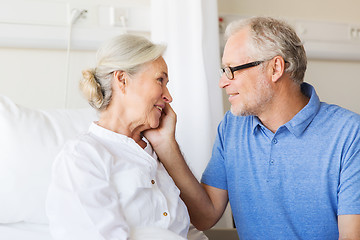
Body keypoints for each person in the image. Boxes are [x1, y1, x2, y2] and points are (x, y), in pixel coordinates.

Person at [143, 17, 360, 239]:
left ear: (275, 68)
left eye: (231, 70)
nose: (223, 82)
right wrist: (166, 144)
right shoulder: (232, 127)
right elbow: (205, 216)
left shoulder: (350, 134)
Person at [46, 34, 192, 240]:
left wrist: (167, 144)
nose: (169, 96)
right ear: (122, 80)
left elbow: (188, 229)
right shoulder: (82, 156)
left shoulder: (158, 152)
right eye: (160, 80)